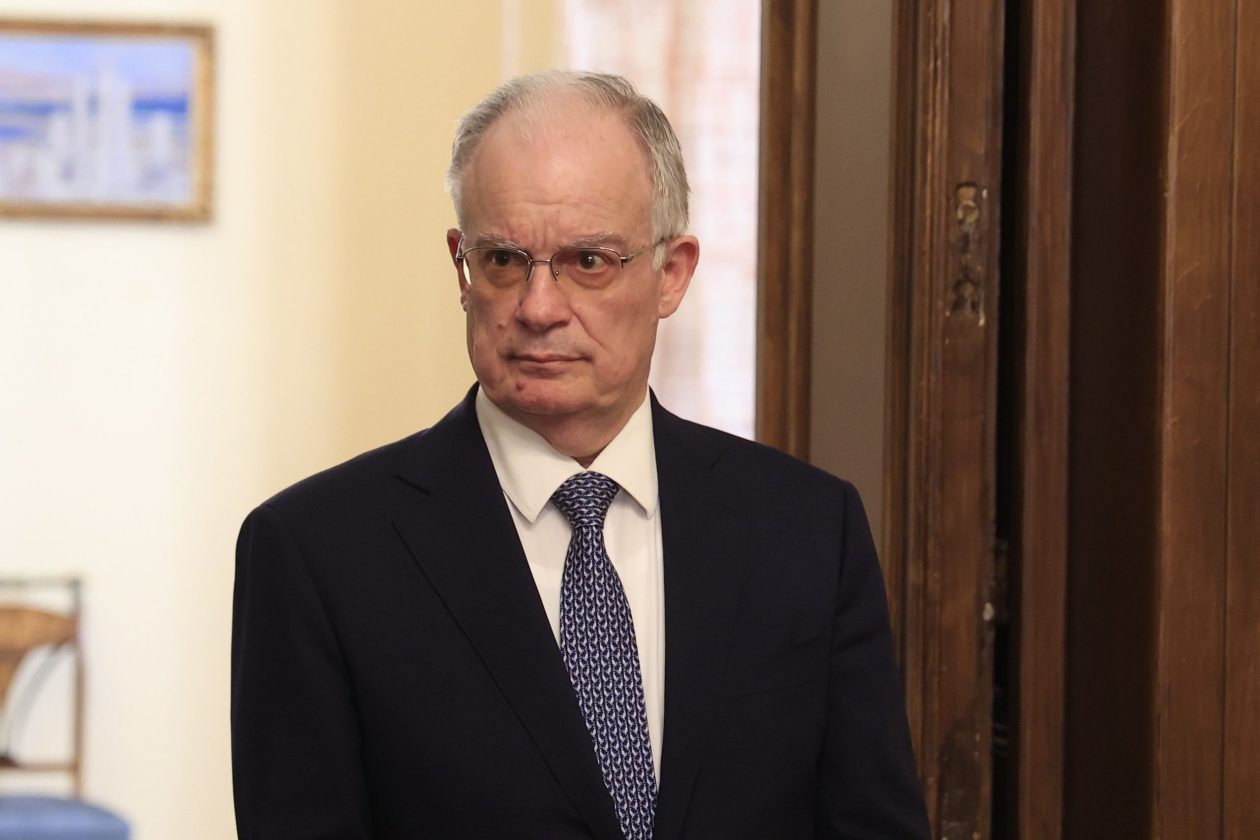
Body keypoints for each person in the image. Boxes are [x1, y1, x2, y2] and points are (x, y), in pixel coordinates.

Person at [231, 70, 930, 839]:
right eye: (504, 261)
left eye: (588, 261)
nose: (538, 308)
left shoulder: (807, 530)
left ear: (671, 274)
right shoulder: (317, 553)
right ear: (462, 267)